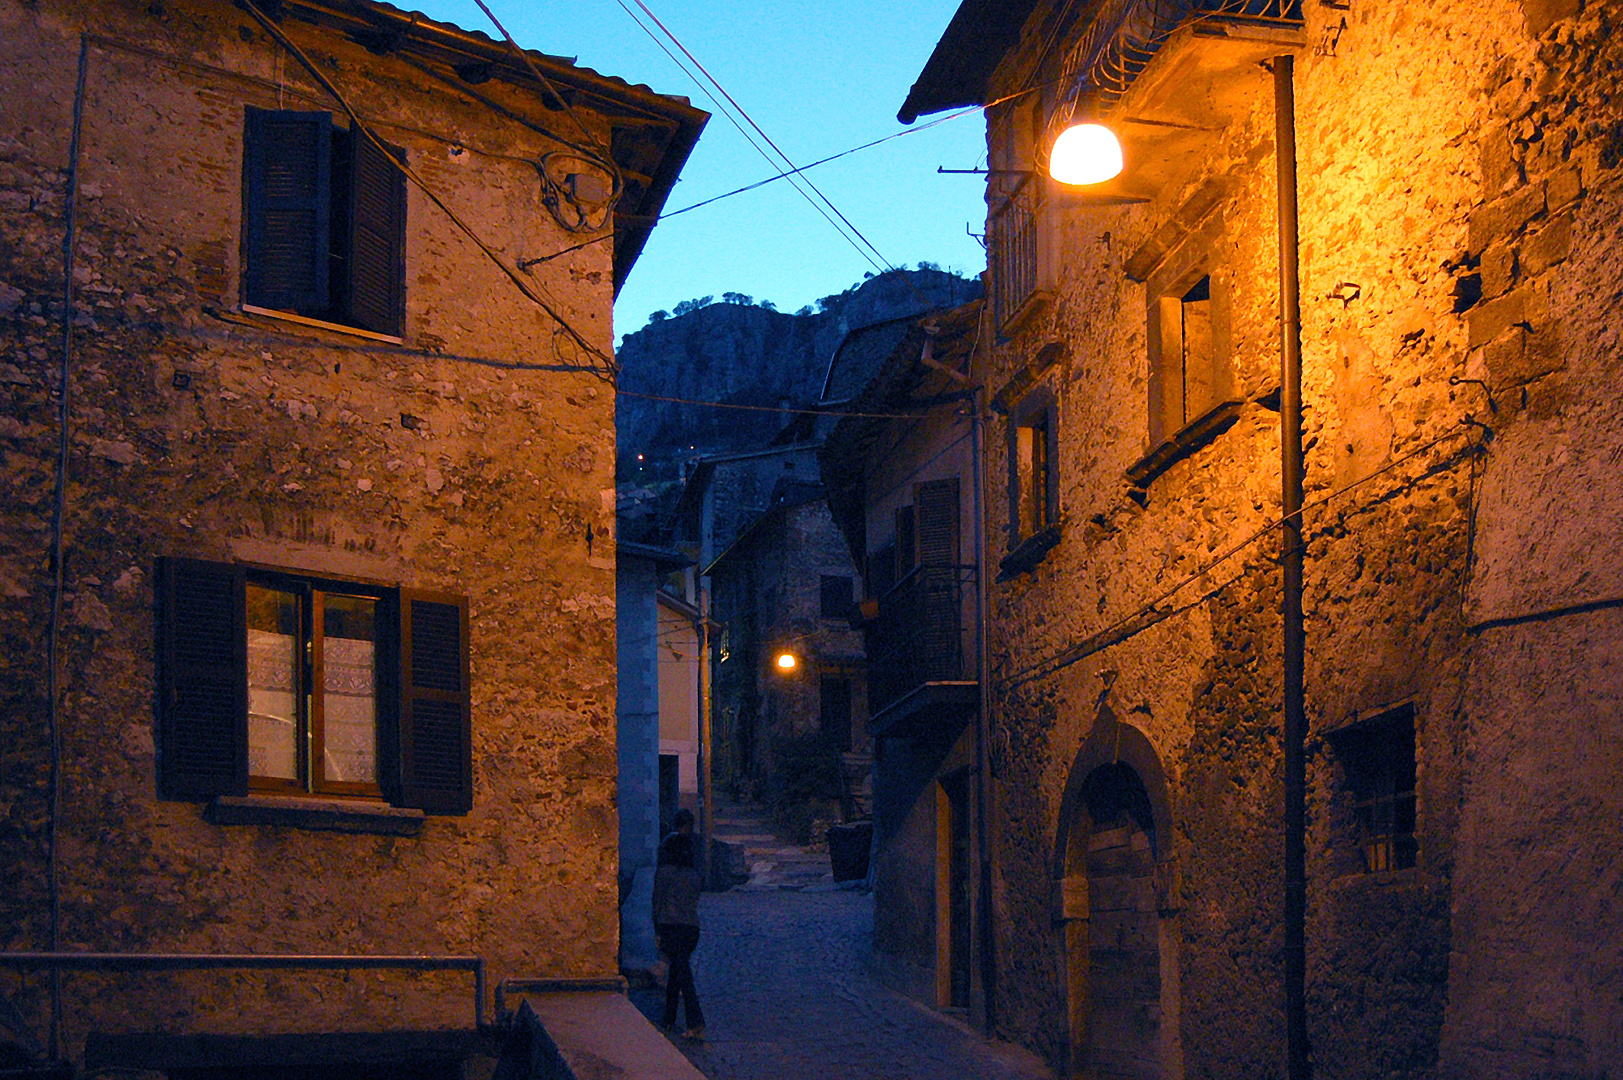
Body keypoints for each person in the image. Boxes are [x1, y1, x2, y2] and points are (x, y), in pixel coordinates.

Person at [652, 808, 705, 1039]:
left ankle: (696, 1021)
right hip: (691, 927)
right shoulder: (693, 874)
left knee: (683, 974)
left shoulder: (664, 873)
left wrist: (657, 929)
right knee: (677, 971)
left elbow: (658, 901)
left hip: (671, 925)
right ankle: (668, 1020)